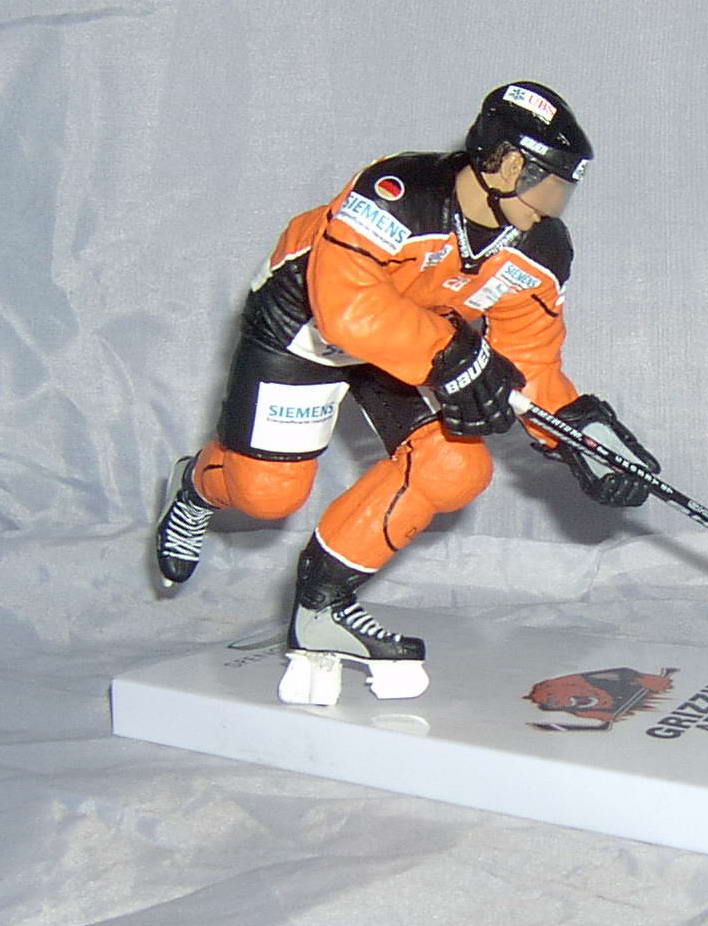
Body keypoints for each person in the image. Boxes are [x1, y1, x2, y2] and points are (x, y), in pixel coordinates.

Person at [154, 82, 659, 706]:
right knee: (266, 496)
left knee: (454, 467)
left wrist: (578, 432)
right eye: (546, 184)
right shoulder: (396, 191)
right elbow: (346, 309)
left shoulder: (541, 248)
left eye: (564, 190)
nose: (553, 205)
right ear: (503, 164)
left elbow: (529, 359)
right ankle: (197, 485)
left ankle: (323, 605)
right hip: (304, 329)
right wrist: (453, 357)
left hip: (411, 345)